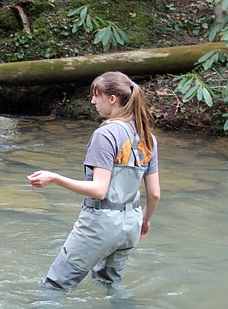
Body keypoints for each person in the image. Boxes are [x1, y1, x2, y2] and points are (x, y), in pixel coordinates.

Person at [27, 71, 161, 289]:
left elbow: (99, 190)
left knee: (54, 286)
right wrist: (144, 221)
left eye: (96, 96)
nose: (92, 101)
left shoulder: (106, 134)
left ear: (112, 99)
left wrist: (54, 178)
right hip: (132, 223)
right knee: (111, 284)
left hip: (102, 223)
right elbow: (155, 193)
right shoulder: (148, 138)